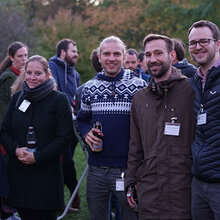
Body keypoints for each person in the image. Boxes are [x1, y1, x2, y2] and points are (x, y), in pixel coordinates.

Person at [125, 34, 195, 220]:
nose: (153, 59)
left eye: (158, 53)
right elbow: (135, 146)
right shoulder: (139, 99)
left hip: (183, 189)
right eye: (148, 55)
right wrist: (130, 182)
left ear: (172, 56)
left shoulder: (191, 90)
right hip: (150, 190)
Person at [77, 36, 146, 220]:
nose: (111, 58)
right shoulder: (89, 88)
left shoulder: (140, 86)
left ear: (124, 57)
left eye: (117, 54)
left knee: (130, 216)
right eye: (106, 54)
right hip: (96, 169)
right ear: (99, 57)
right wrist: (86, 133)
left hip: (127, 168)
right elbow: (82, 119)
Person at [0, 55, 73, 220]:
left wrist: (38, 157)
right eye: (29, 72)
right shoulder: (17, 98)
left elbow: (64, 138)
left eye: (38, 73)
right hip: (19, 177)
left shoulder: (59, 100)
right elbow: (4, 131)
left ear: (47, 75)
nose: (33, 77)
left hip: (46, 179)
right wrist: (15, 150)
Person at [187, 20, 220, 220]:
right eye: (193, 42)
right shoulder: (194, 82)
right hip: (199, 182)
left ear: (218, 44)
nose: (198, 47)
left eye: (204, 41)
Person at [49, 39, 80, 211]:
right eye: (73, 51)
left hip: (73, 124)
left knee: (64, 162)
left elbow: (75, 95)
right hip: (57, 124)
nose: (76, 54)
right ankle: (73, 196)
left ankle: (61, 201)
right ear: (62, 52)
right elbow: (53, 89)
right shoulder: (51, 66)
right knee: (64, 161)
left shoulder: (75, 74)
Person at [0, 42, 28, 125]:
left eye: (26, 55)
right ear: (11, 58)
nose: (24, 59)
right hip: (7, 123)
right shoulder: (9, 77)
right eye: (20, 56)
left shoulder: (23, 75)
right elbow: (14, 104)